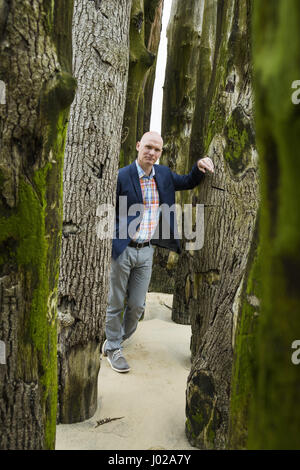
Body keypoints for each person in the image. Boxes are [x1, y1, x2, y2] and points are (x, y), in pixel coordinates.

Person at [102, 131, 214, 372]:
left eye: (157, 150)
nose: (152, 153)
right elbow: (108, 208)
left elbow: (187, 181)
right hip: (122, 250)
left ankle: (116, 339)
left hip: (146, 251)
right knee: (115, 301)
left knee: (137, 305)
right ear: (138, 145)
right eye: (148, 147)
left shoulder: (162, 174)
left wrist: (199, 165)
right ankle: (113, 347)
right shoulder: (122, 175)